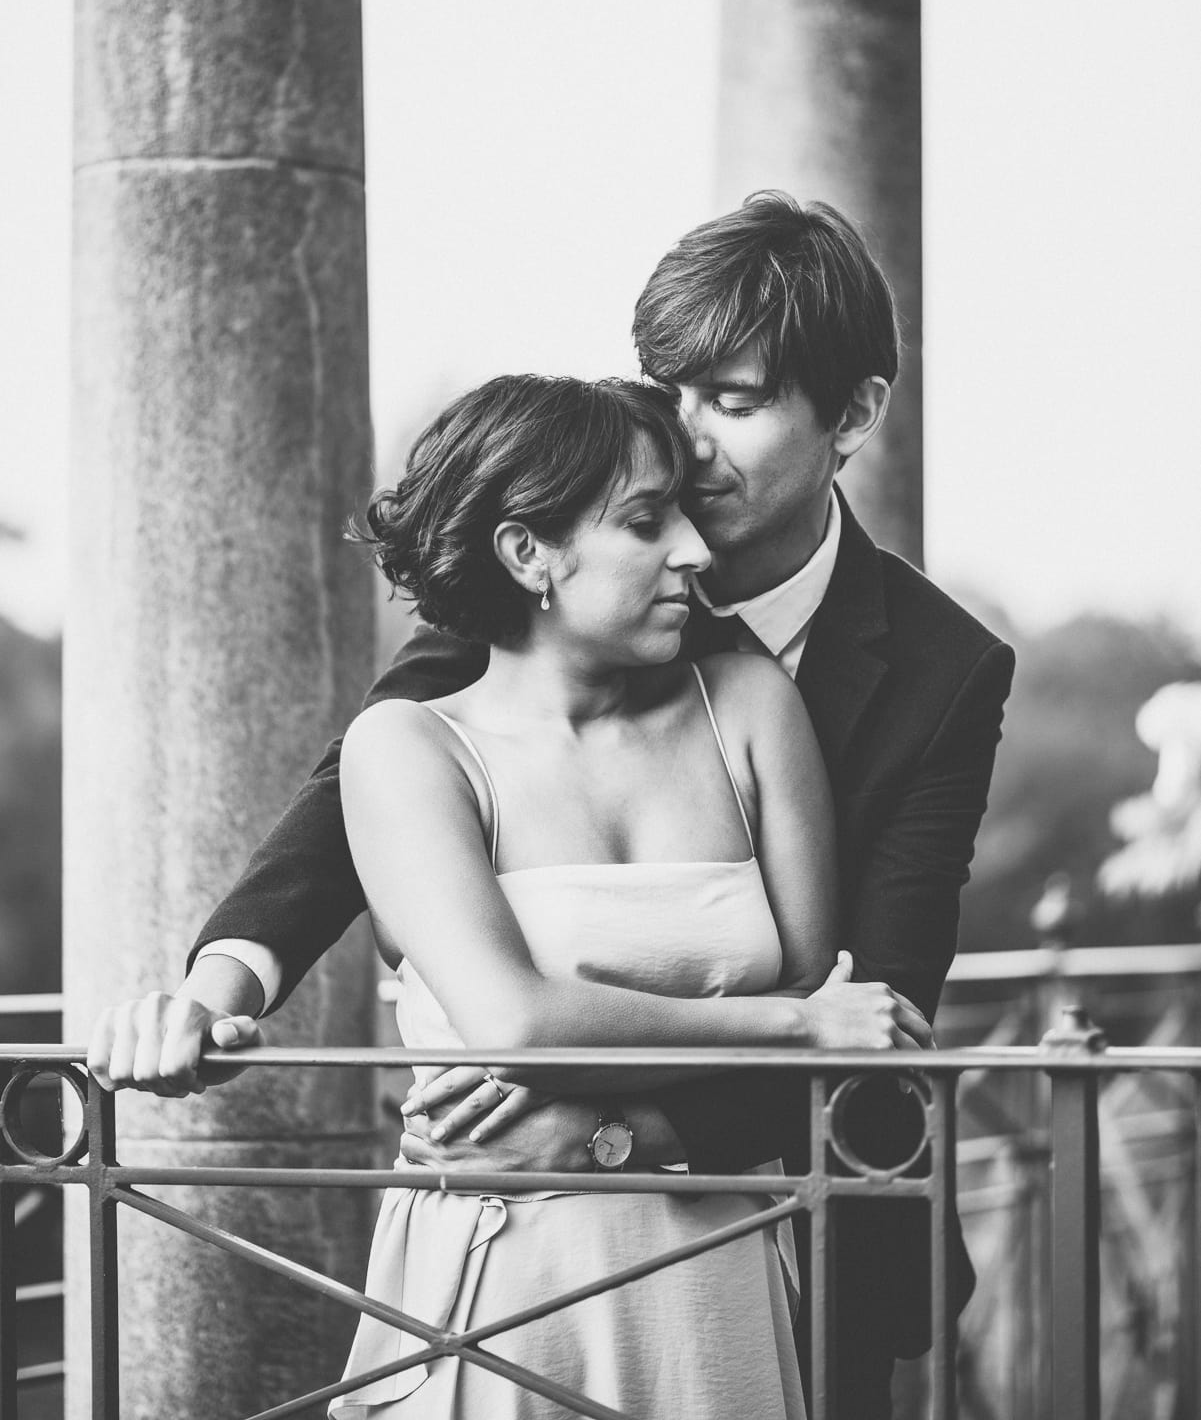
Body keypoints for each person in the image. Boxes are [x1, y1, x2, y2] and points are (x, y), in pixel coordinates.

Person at [89, 191, 1015, 1419]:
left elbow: (873, 997)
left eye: (731, 404)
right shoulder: (557, 591)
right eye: (668, 390)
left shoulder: (947, 671)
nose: (684, 446)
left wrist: (608, 1132)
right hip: (510, 1260)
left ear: (854, 415)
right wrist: (216, 990)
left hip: (801, 1215)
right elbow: (349, 799)